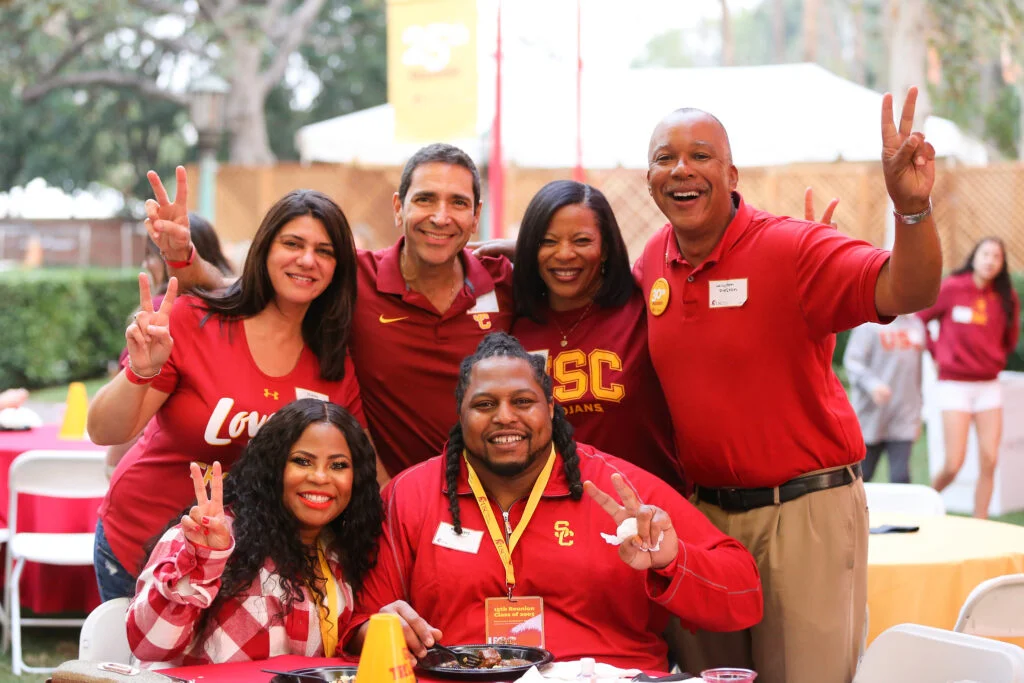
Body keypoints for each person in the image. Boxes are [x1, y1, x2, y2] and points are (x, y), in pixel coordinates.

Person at [633, 88, 941, 683]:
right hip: (704, 520)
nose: (681, 169)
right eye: (664, 157)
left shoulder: (791, 248)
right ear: (648, 178)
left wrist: (911, 211)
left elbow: (910, 291)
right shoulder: (653, 261)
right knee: (708, 680)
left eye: (700, 155)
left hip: (803, 514)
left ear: (731, 173)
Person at [342, 333, 762, 671]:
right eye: (485, 405)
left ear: (551, 409)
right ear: (460, 416)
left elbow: (743, 597)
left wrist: (671, 559)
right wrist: (382, 628)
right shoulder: (409, 494)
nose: (505, 416)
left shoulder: (618, 489)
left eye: (523, 402)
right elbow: (360, 623)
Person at [152, 145, 515, 480]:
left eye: (458, 203)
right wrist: (183, 256)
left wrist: (522, 244)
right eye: (425, 199)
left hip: (493, 498)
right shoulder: (349, 278)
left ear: (476, 214)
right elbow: (238, 288)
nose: (440, 216)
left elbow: (567, 266)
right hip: (395, 498)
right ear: (398, 207)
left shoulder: (505, 282)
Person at [88, 179, 365, 601]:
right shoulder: (196, 320)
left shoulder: (333, 361)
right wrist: (140, 372)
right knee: (142, 669)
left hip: (239, 567)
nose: (307, 260)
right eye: (293, 243)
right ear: (265, 249)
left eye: (325, 251)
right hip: (141, 544)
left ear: (339, 268)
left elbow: (359, 470)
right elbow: (103, 431)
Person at [127, 398, 383, 665]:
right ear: (272, 467)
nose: (320, 477)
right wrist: (204, 561)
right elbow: (148, 647)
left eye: (338, 465)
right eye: (302, 461)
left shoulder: (343, 550)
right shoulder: (209, 533)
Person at [510, 180, 683, 491]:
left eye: (581, 240)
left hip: (650, 513)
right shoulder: (512, 323)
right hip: (553, 519)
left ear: (605, 248)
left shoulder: (643, 308)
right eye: (547, 242)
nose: (564, 254)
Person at [106, 214, 237, 476]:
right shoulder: (242, 310)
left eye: (152, 254)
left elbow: (128, 412)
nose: (146, 263)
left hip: (160, 476)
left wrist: (112, 466)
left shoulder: (161, 312)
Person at [917, 237, 1020, 518]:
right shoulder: (952, 288)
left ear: (1001, 264)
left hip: (988, 386)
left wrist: (994, 357)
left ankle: (981, 522)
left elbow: (1010, 339)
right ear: (974, 257)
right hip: (955, 385)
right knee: (954, 462)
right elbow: (921, 318)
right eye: (985, 254)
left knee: (990, 458)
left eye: (996, 257)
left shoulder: (1006, 297)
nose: (990, 260)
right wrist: (938, 354)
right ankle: (922, 504)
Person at [843, 315, 926, 484]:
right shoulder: (868, 325)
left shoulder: (916, 326)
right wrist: (872, 385)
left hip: (904, 416)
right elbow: (852, 362)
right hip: (871, 416)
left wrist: (918, 412)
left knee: (901, 477)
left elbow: (918, 372)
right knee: (862, 475)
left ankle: (901, 511)